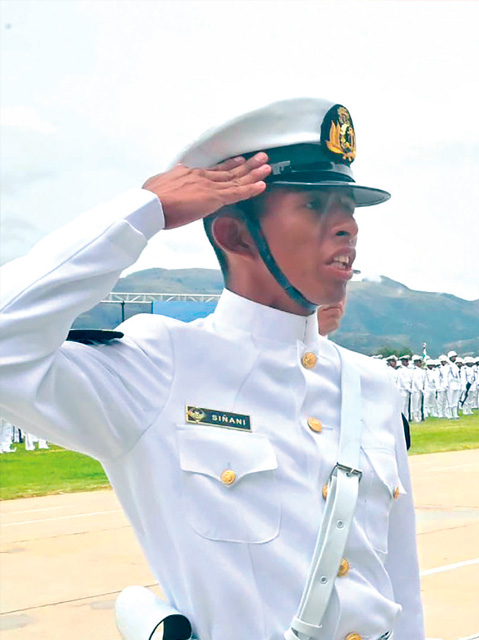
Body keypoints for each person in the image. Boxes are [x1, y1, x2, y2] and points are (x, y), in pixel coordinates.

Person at [0, 98, 424, 640]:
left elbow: (400, 588)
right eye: (316, 206)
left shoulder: (370, 385)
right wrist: (145, 210)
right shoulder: (159, 368)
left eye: (349, 207)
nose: (346, 227)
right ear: (236, 236)